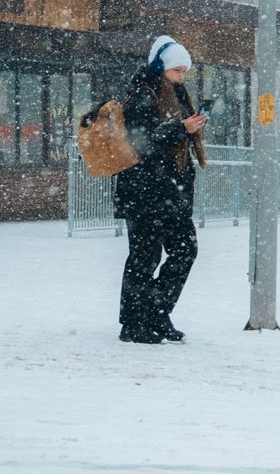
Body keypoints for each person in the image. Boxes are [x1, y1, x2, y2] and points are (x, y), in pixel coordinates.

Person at [113, 35, 208, 344]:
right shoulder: (143, 95)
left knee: (185, 250)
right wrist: (182, 129)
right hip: (144, 191)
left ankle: (155, 311)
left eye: (184, 71)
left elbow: (168, 139)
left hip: (171, 192)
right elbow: (141, 143)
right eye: (176, 70)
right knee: (144, 257)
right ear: (160, 67)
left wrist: (189, 128)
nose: (181, 76)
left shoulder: (177, 96)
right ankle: (132, 323)